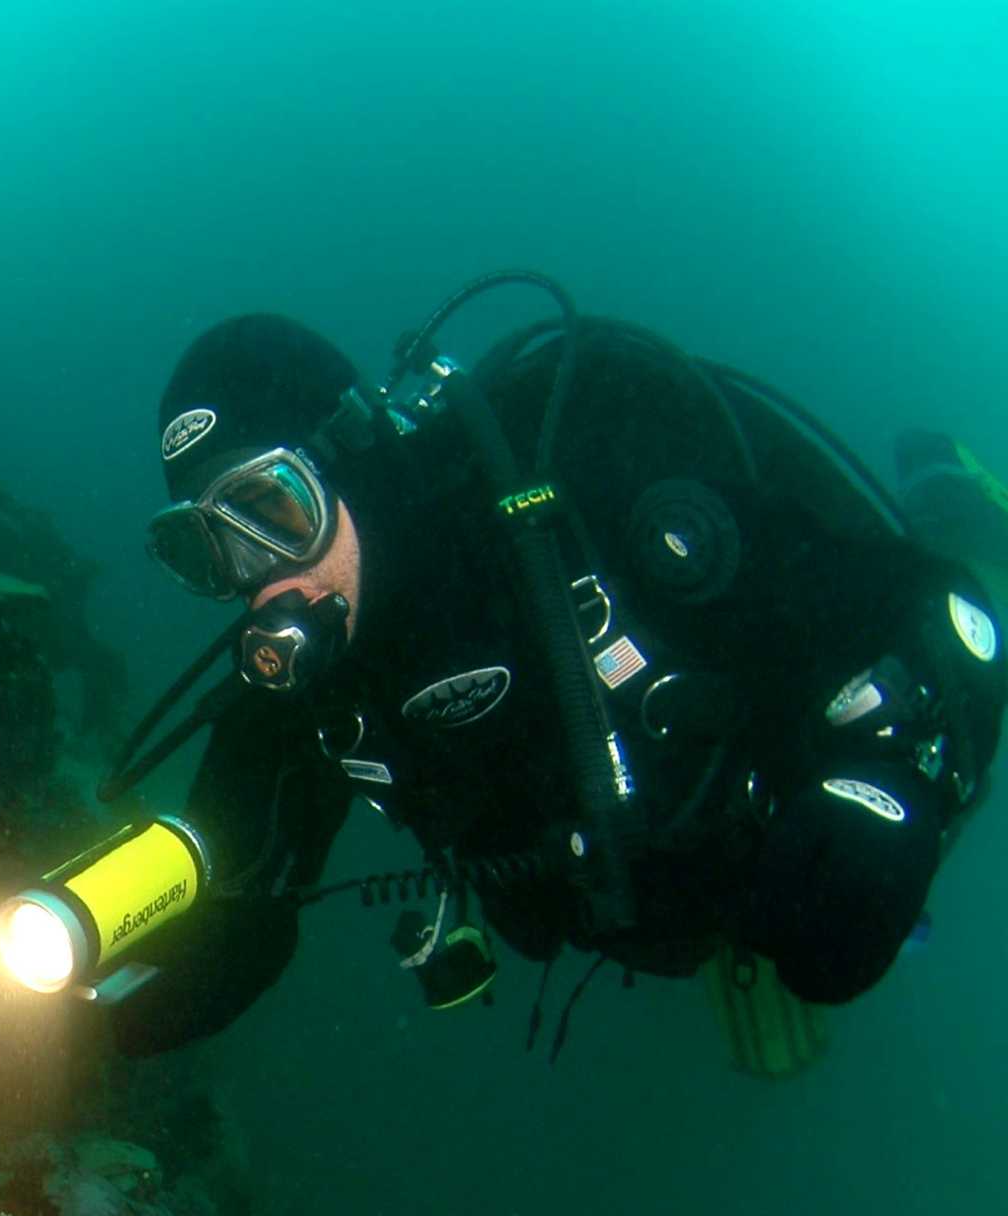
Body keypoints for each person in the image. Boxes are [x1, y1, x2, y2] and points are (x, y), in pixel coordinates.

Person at [102, 273, 1008, 1062]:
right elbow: (237, 895)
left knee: (981, 577)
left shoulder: (586, 454)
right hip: (665, 897)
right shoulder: (305, 681)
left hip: (783, 779)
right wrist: (79, 1027)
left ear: (355, 455)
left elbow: (938, 618)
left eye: (271, 507)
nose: (264, 579)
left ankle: (959, 498)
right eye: (209, 550)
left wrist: (891, 800)